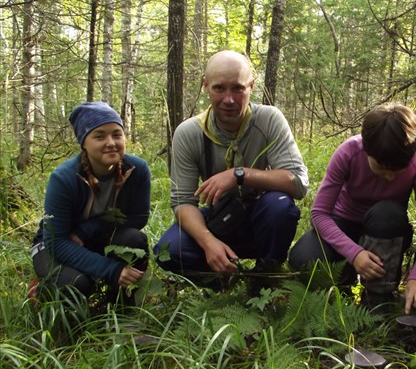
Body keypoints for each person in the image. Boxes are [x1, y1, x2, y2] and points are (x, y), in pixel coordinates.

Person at [154, 50, 309, 285]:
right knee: (168, 250)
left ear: (251, 86)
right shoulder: (189, 132)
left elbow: (298, 183)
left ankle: (266, 277)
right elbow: (182, 202)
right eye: (219, 88)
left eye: (237, 88)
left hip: (261, 220)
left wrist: (240, 175)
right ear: (205, 86)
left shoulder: (269, 120)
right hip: (218, 221)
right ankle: (222, 280)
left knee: (279, 206)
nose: (229, 99)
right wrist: (208, 242)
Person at [289, 103, 416, 314]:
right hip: (344, 224)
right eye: (380, 167)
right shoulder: (350, 152)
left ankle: (378, 300)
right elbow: (319, 214)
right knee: (303, 259)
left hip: (386, 230)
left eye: (397, 170)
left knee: (386, 213)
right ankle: (343, 284)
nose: (389, 177)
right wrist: (354, 254)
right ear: (367, 149)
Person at [31, 101, 151, 306]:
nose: (111, 142)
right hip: (53, 246)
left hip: (94, 238)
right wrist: (112, 270)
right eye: (99, 136)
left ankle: (123, 308)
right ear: (84, 142)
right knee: (77, 284)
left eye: (116, 134)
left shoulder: (137, 169)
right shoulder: (64, 178)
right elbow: (56, 242)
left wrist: (87, 231)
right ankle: (43, 293)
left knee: (134, 239)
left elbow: (139, 217)